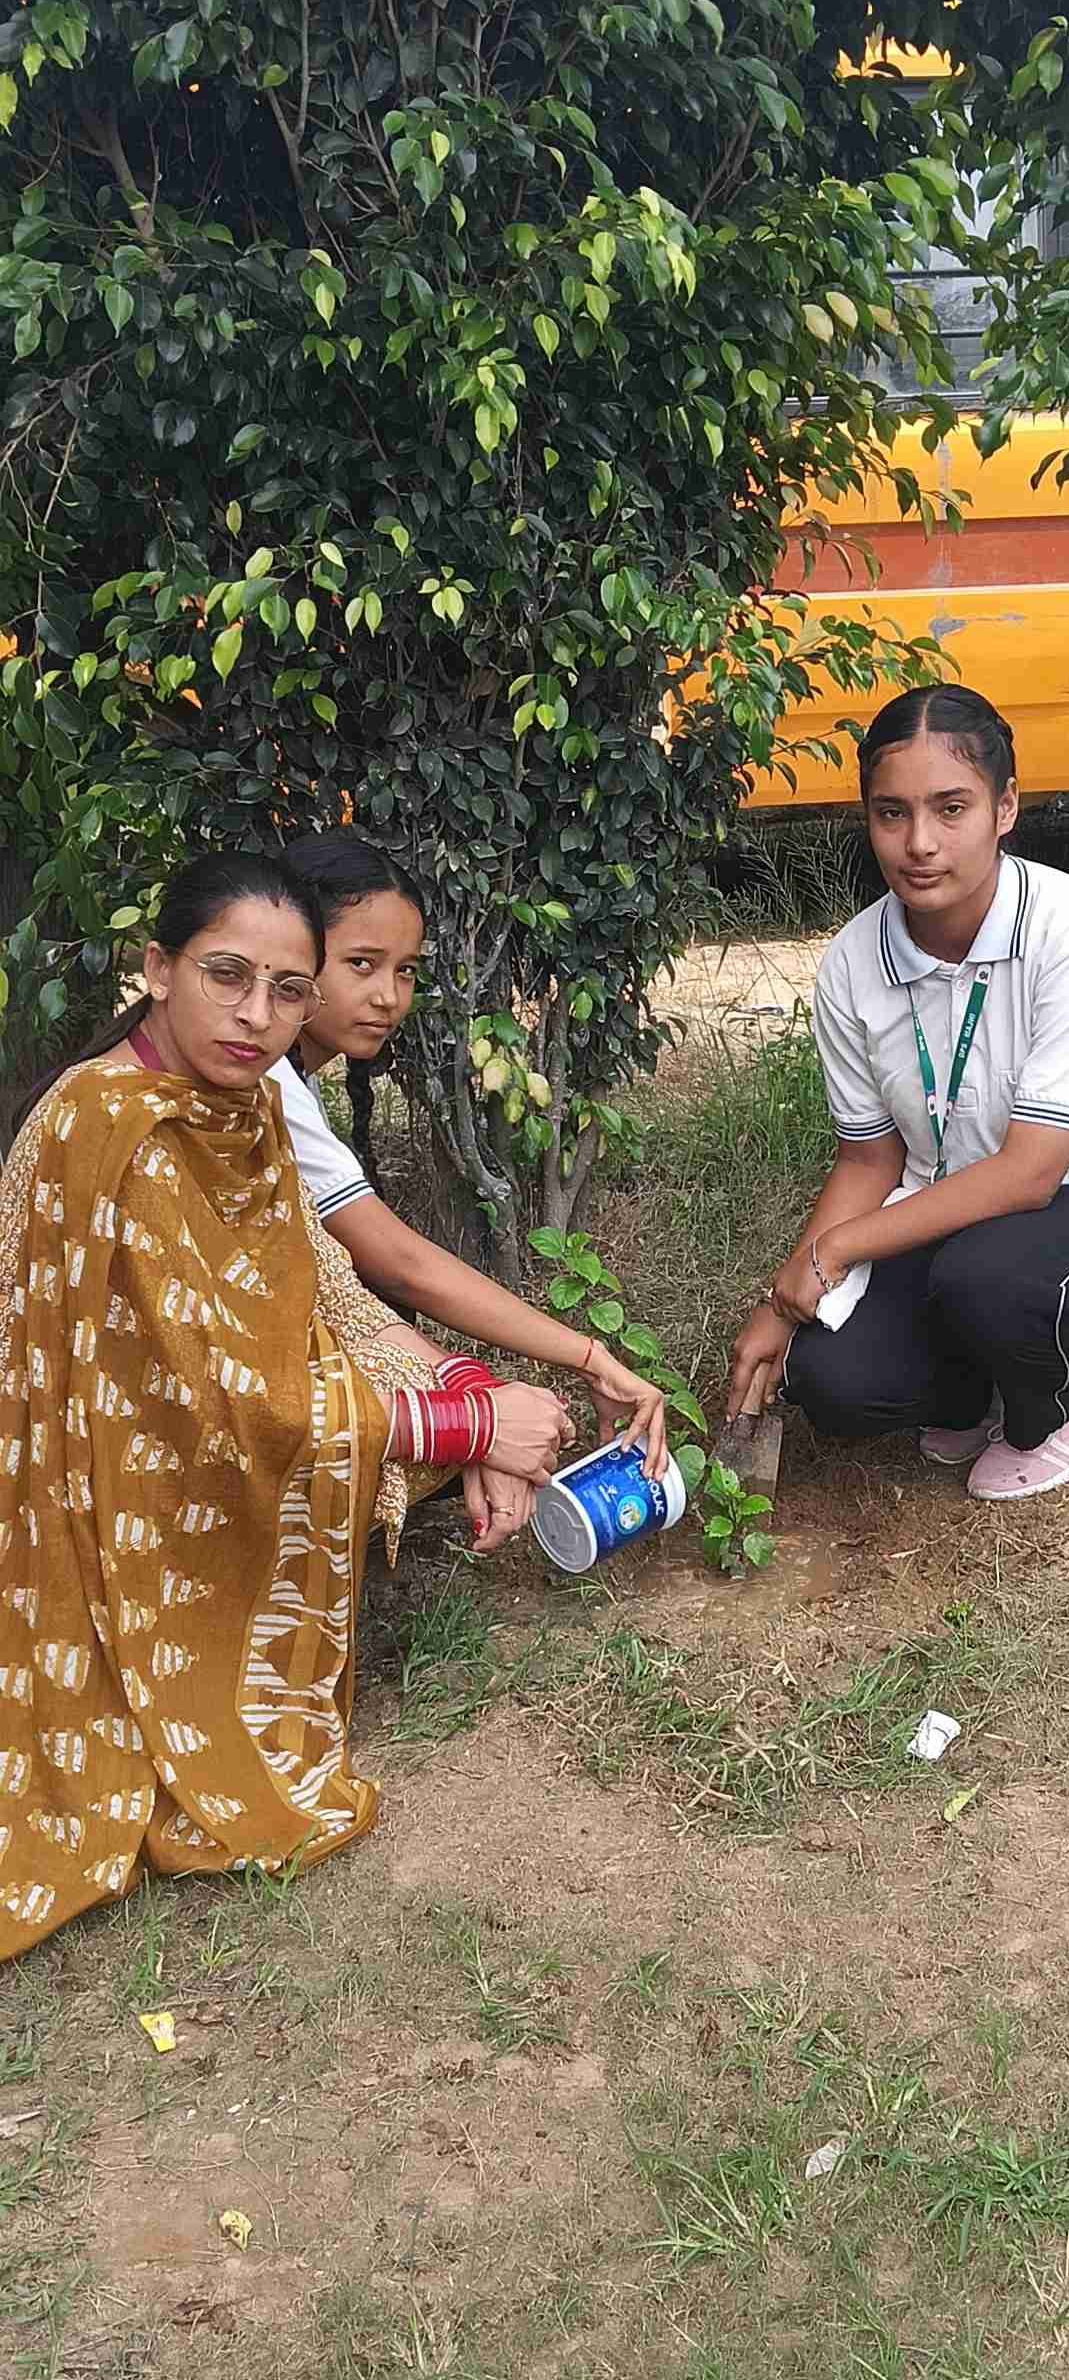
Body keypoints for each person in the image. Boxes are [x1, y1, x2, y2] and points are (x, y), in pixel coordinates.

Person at [0, 856, 531, 1966]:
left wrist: (469, 1389)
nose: (257, 1015)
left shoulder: (237, 1106)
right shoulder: (112, 1125)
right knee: (341, 1429)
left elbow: (332, 1292)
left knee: (374, 1384)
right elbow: (221, 1408)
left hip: (177, 1421)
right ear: (158, 969)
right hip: (81, 1463)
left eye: (288, 990)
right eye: (228, 976)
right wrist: (472, 1430)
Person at [724, 685, 1069, 1499]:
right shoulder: (853, 962)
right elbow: (869, 1160)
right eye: (891, 813)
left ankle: (1067, 1398)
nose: (919, 843)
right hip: (946, 1214)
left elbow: (1031, 1174)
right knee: (832, 1382)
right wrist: (783, 1304)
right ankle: (972, 1391)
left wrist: (830, 1254)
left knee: (991, 1280)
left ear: (1005, 808)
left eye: (951, 808)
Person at [272, 830, 666, 1551]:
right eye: (361, 964)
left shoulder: (277, 1076)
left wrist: (479, 1404)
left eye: (406, 971)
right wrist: (527, 1395)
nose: (388, 996)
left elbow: (346, 1292)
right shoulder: (262, 1081)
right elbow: (401, 1265)